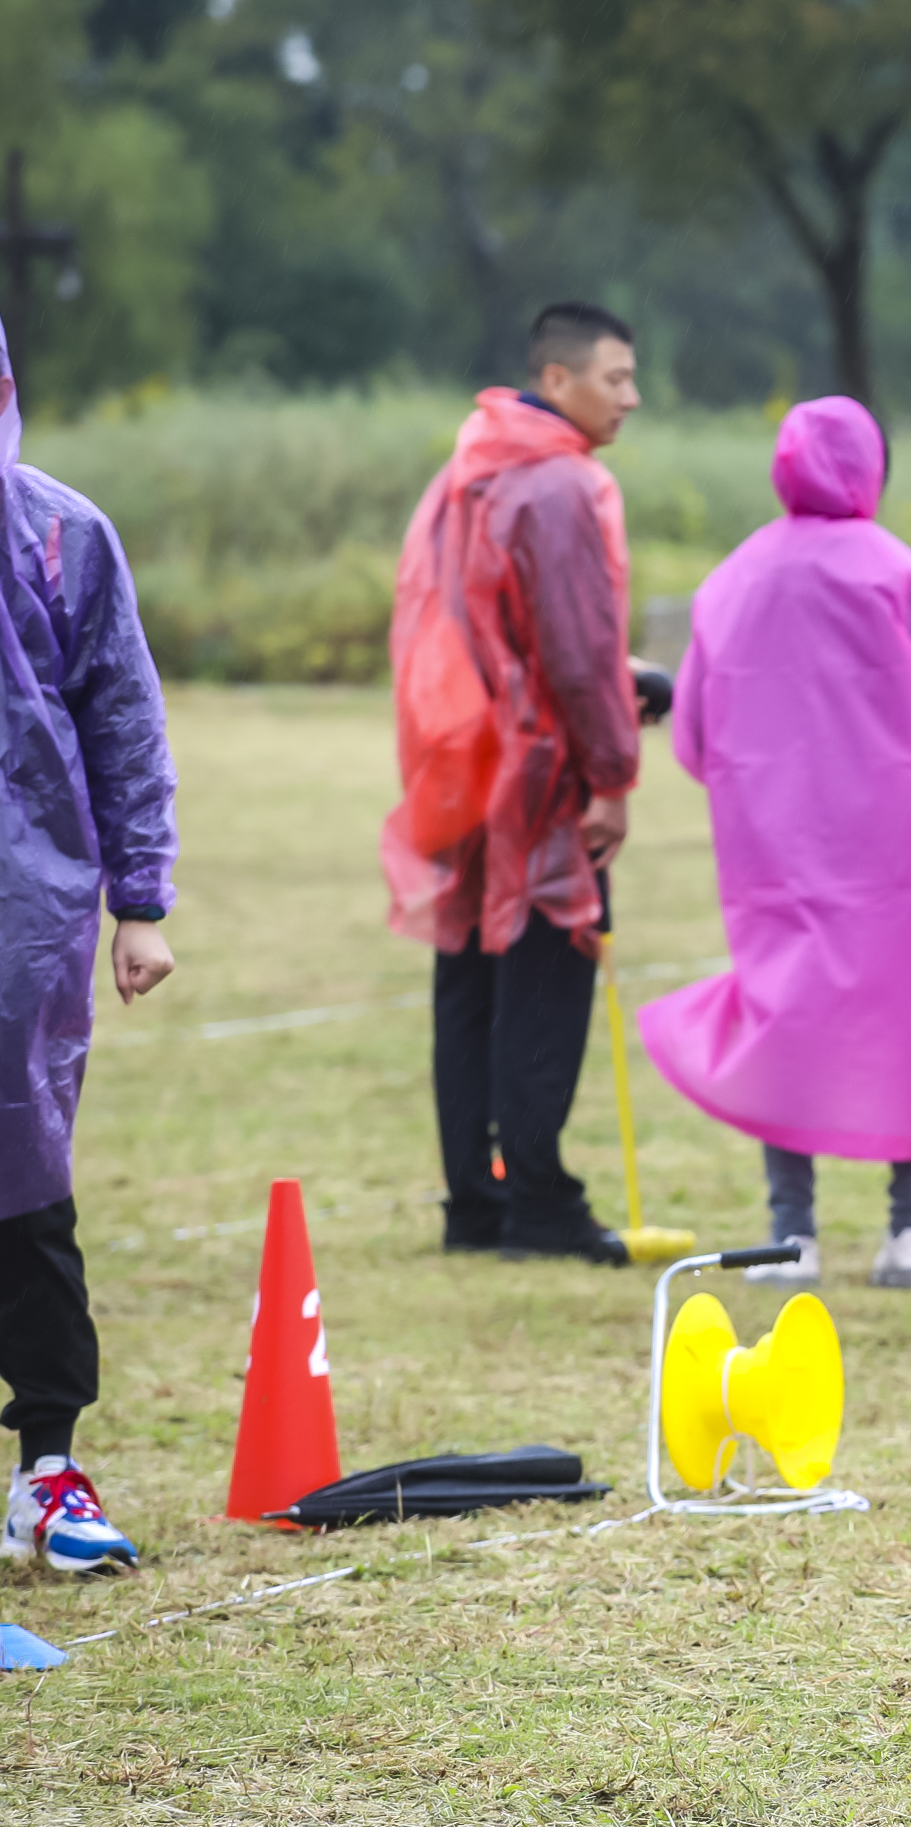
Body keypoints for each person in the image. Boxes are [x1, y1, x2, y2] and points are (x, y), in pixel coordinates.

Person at [635, 397, 911, 1292]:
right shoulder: (901, 572)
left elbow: (694, 736)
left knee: (779, 1011)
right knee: (899, 1015)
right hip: (891, 838)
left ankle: (792, 1231)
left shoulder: (732, 578)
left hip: (767, 833)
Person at [384, 302, 644, 1264]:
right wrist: (611, 774)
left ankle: (475, 1200)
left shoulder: (470, 466)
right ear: (560, 377)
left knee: (469, 986)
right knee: (542, 982)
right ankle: (536, 1200)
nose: (632, 397)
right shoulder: (563, 483)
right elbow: (577, 652)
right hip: (537, 778)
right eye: (616, 378)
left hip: (461, 762)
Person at [0, 312, 175, 1574]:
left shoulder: (59, 532)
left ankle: (48, 1468)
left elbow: (120, 711)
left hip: (25, 918)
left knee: (23, 1192)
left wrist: (142, 900)